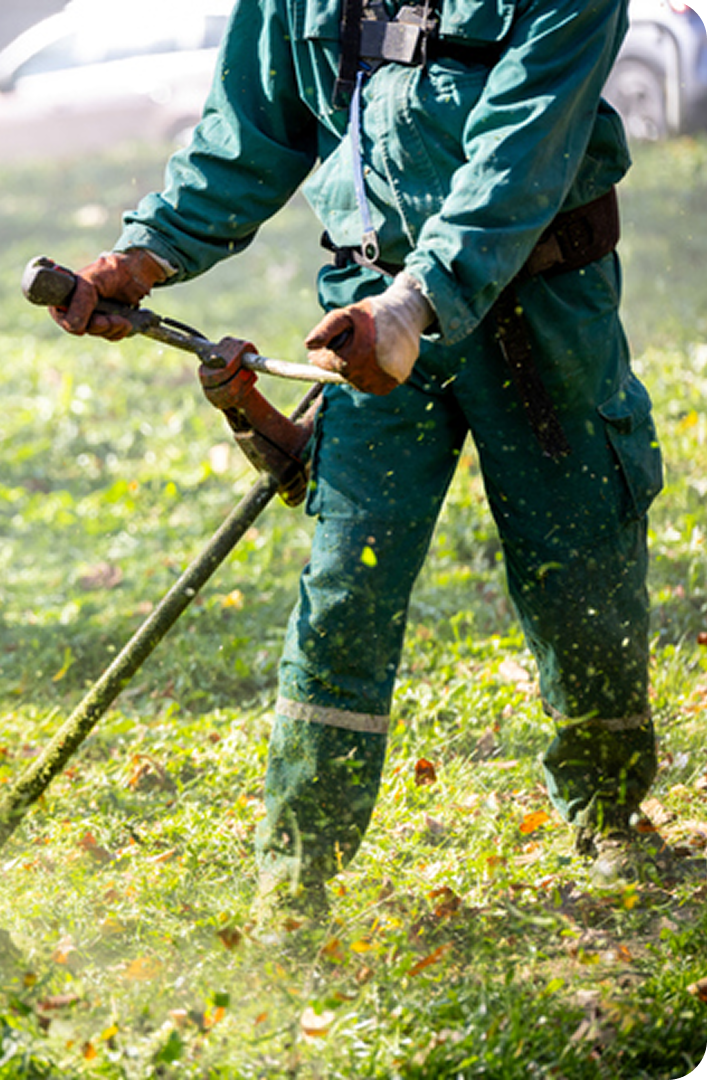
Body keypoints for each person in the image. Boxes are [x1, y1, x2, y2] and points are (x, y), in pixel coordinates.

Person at [50, 0, 671, 914]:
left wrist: (417, 307)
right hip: (362, 311)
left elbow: (523, 146)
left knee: (579, 557)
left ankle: (609, 814)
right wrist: (142, 257)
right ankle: (294, 878)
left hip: (541, 299)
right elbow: (250, 129)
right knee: (347, 580)